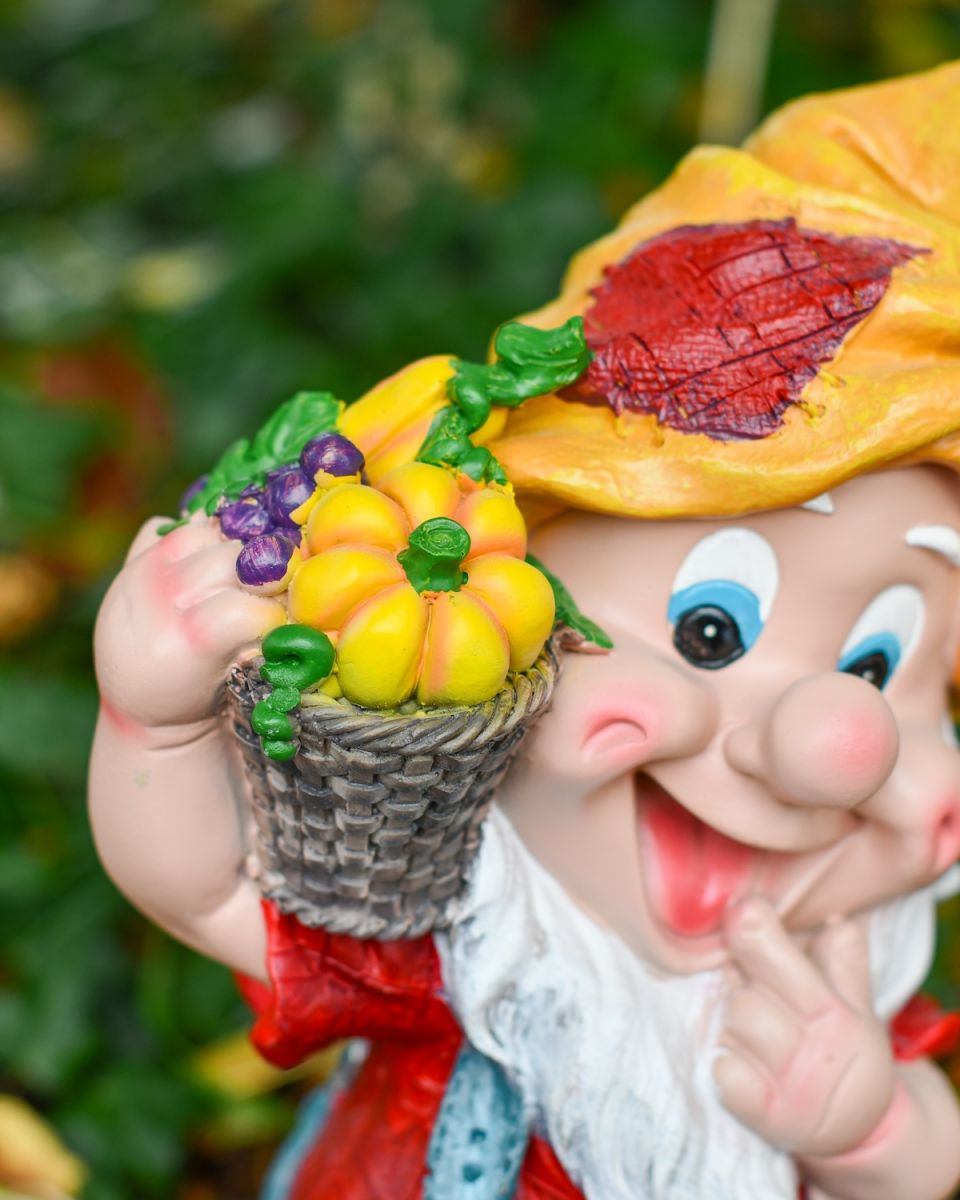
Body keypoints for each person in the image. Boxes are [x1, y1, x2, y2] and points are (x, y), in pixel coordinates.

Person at [90, 63, 960, 1200]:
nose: (836, 738)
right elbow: (212, 888)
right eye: (707, 631)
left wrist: (868, 1129)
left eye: (882, 666)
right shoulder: (459, 945)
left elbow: (928, 1159)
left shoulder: (830, 985)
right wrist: (151, 721)